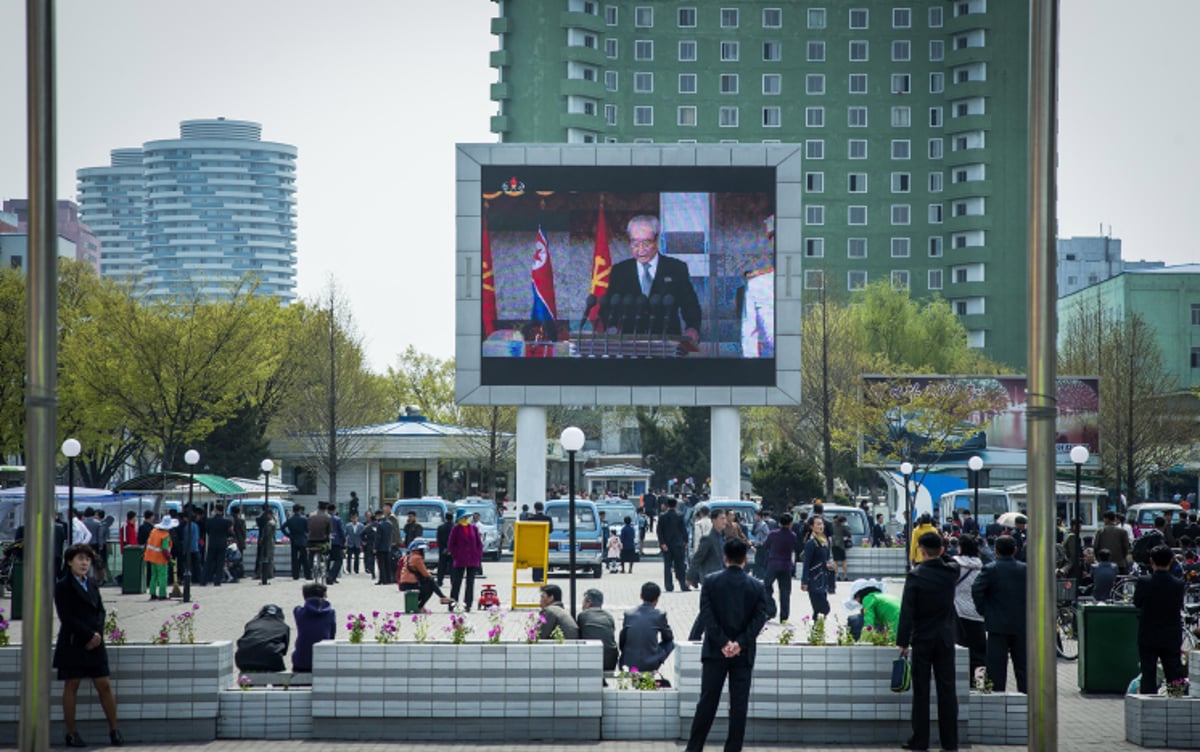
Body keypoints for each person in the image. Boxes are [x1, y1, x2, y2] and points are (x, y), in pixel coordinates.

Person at [684, 538, 772, 752]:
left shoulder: (711, 581)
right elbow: (760, 618)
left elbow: (706, 614)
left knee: (707, 702)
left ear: (725, 558)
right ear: (745, 559)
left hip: (715, 651)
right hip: (743, 654)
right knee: (739, 705)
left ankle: (694, 748)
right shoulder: (757, 586)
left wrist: (723, 642)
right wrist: (740, 643)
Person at [53, 544, 124, 748]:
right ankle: (71, 733)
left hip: (96, 642)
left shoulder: (92, 584)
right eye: (80, 559)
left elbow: (100, 611)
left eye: (87, 560)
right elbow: (66, 617)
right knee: (72, 685)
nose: (84, 563)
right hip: (74, 642)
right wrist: (88, 634)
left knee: (104, 684)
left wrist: (98, 633)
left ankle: (114, 729)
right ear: (69, 562)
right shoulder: (63, 585)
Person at [896, 531, 960, 752]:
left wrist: (902, 642)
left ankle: (920, 741)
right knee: (947, 690)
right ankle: (950, 743)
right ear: (941, 550)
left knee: (921, 691)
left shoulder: (915, 576)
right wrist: (942, 547)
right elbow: (950, 559)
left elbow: (907, 612)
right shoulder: (951, 572)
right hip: (945, 638)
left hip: (922, 639)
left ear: (921, 551)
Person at [600, 214, 701, 341]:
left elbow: (690, 305)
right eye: (635, 243)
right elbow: (609, 307)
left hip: (668, 341)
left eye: (646, 243)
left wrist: (692, 328)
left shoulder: (676, 268)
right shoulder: (620, 271)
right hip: (631, 343)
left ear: (657, 240)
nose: (641, 250)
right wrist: (611, 328)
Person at [972, 535, 1027, 693]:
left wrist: (984, 610)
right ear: (1015, 550)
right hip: (1022, 624)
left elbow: (976, 589)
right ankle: (1027, 700)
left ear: (996, 551)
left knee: (996, 669)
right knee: (1023, 667)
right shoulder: (1025, 569)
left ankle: (997, 699)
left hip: (997, 625)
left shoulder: (990, 569)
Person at [1133, 544, 1186, 693]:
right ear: (1170, 561)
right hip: (1171, 633)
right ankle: (1178, 701)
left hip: (1148, 632)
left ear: (1151, 561)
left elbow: (1137, 602)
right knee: (1174, 670)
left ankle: (1148, 703)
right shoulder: (1178, 584)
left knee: (1148, 671)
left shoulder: (1144, 582)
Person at [620, 581, 676, 673]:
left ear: (641, 596)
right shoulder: (659, 615)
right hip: (650, 663)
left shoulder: (628, 614)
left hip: (628, 663)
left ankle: (637, 676)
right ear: (657, 599)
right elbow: (668, 637)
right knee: (670, 643)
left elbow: (622, 640)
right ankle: (651, 667)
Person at [952, 534, 987, 676]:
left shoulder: (955, 565)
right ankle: (979, 680)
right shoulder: (982, 566)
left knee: (960, 647)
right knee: (978, 652)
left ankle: (962, 678)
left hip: (958, 612)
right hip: (977, 613)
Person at [292, 582, 335, 673]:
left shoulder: (298, 612)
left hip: (301, 661)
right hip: (323, 661)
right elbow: (331, 636)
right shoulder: (331, 613)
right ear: (324, 596)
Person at [763, 513, 798, 624]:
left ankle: (771, 609)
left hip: (773, 564)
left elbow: (765, 545)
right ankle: (784, 617)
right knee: (785, 592)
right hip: (786, 566)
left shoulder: (773, 534)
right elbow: (795, 547)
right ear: (790, 523)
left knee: (766, 587)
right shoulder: (793, 535)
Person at [235, 604, 290, 673]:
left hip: (243, 660)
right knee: (281, 679)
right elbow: (284, 651)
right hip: (271, 660)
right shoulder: (284, 627)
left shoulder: (250, 624)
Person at [398, 538, 449, 611]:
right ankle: (421, 606)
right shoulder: (417, 558)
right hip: (410, 583)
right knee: (430, 585)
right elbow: (425, 574)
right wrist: (430, 574)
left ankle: (442, 597)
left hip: (404, 583)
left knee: (430, 582)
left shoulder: (410, 556)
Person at [447, 509, 483, 611]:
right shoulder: (456, 529)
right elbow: (451, 544)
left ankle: (468, 604)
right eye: (464, 517)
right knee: (456, 582)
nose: (466, 519)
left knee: (470, 582)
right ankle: (452, 603)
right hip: (460, 559)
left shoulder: (473, 528)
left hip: (472, 558)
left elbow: (478, 543)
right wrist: (456, 555)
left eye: (467, 517)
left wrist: (478, 554)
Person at [800, 516, 835, 619]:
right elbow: (806, 563)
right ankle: (816, 631)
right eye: (818, 524)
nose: (821, 526)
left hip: (823, 580)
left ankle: (816, 633)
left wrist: (827, 565)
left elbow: (826, 559)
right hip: (813, 580)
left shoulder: (824, 541)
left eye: (822, 524)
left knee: (818, 612)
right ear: (812, 526)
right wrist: (804, 581)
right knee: (824, 609)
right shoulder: (811, 543)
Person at [577, 589, 618, 671]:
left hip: (591, 660)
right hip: (610, 661)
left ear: (589, 602)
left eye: (583, 601)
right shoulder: (609, 616)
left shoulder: (582, 616)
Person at [686, 509, 727, 588]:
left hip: (722, 576)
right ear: (713, 520)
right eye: (722, 518)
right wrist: (689, 577)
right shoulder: (708, 538)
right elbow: (697, 558)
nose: (724, 521)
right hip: (711, 578)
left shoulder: (721, 537)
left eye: (725, 518)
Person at [657, 496, 690, 592]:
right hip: (678, 544)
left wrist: (662, 543)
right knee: (680, 565)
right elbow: (684, 530)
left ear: (667, 505)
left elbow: (659, 531)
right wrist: (686, 541)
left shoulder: (662, 516)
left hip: (667, 544)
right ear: (676, 505)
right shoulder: (680, 516)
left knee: (667, 566)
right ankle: (683, 585)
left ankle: (669, 586)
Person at [143, 514, 176, 601]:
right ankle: (162, 595)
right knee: (162, 577)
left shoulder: (154, 531)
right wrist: (170, 559)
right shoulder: (165, 535)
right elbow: (165, 549)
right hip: (161, 559)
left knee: (154, 576)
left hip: (151, 557)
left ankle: (152, 593)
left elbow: (148, 543)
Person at [202, 504, 232, 587]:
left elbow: (207, 531)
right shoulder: (227, 522)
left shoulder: (209, 521)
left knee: (208, 562)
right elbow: (230, 533)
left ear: (216, 510)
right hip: (222, 543)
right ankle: (217, 580)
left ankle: (204, 580)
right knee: (220, 563)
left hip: (212, 543)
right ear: (222, 511)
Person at [527, 501, 553, 582]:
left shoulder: (531, 519)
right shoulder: (548, 518)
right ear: (542, 508)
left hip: (534, 542)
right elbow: (551, 530)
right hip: (544, 541)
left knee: (535, 559)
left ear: (535, 509)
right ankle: (543, 576)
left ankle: (536, 577)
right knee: (543, 558)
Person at [284, 506, 311, 580]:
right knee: (305, 558)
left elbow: (282, 527)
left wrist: (288, 535)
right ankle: (307, 575)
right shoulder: (304, 519)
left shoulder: (290, 519)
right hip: (302, 540)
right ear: (300, 510)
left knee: (294, 558)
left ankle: (295, 575)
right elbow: (308, 529)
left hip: (294, 540)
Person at [371, 510, 395, 585]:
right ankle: (388, 579)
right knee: (387, 564)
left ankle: (382, 579)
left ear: (378, 515)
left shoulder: (380, 524)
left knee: (381, 565)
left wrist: (375, 547)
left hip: (381, 547)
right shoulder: (390, 523)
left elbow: (378, 537)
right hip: (388, 546)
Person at [256, 508, 277, 585]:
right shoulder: (273, 522)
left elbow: (267, 535)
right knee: (270, 558)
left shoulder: (269, 523)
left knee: (267, 558)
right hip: (270, 541)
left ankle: (267, 574)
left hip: (268, 542)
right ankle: (269, 573)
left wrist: (262, 540)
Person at [829, 514, 851, 581]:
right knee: (844, 561)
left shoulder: (832, 526)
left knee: (835, 561)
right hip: (841, 545)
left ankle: (837, 575)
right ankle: (845, 576)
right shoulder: (843, 526)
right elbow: (848, 534)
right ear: (843, 521)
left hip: (833, 544)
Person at [435, 512, 454, 587]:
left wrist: (443, 548)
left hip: (443, 549)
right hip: (453, 550)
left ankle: (439, 581)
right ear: (452, 518)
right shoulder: (454, 527)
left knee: (441, 566)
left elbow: (438, 539)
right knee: (452, 566)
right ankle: (453, 581)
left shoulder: (440, 527)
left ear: (445, 518)